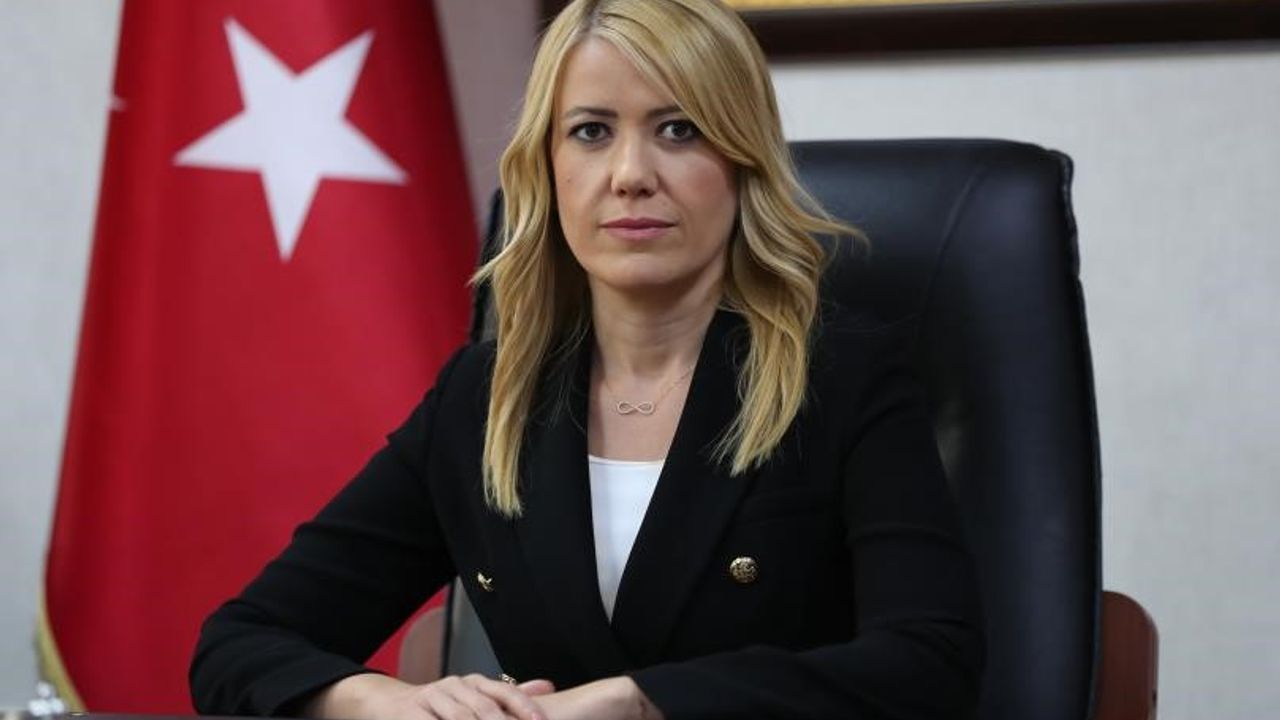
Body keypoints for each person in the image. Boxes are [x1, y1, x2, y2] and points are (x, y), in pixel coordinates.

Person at [189, 0, 984, 718]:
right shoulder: (485, 399)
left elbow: (930, 663)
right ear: (547, 168)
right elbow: (240, 642)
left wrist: (643, 702)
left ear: (743, 162)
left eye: (679, 130)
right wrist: (383, 701)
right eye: (591, 132)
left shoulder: (840, 378)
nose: (630, 175)